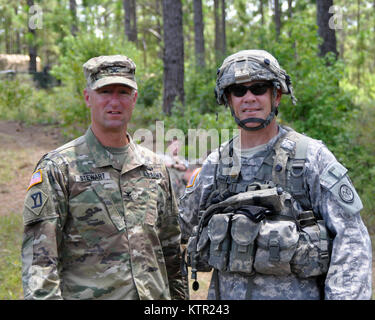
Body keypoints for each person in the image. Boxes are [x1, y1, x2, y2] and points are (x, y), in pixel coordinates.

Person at [179, 49, 372, 300]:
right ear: (228, 100)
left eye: (258, 88)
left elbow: (352, 241)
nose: (248, 97)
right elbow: (178, 227)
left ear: (276, 95)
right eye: (238, 91)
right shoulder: (216, 165)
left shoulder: (310, 158)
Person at [21, 55, 187, 300]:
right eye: (105, 91)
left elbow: (172, 252)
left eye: (123, 92)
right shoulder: (59, 168)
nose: (114, 101)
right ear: (88, 98)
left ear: (134, 99)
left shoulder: (155, 169)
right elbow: (40, 263)